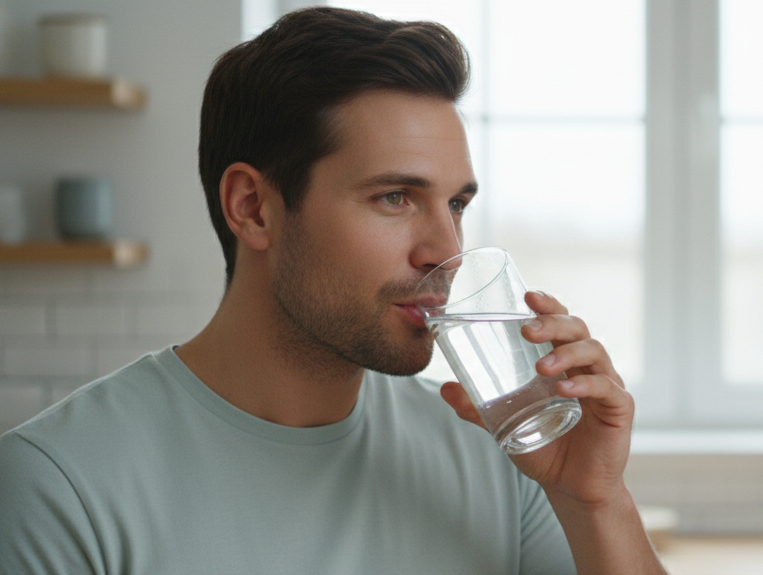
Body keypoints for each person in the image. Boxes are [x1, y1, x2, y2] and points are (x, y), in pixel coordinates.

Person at [0, 7, 665, 574]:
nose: (447, 252)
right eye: (395, 196)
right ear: (253, 207)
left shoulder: (502, 456)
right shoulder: (57, 483)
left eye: (456, 203)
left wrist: (594, 500)